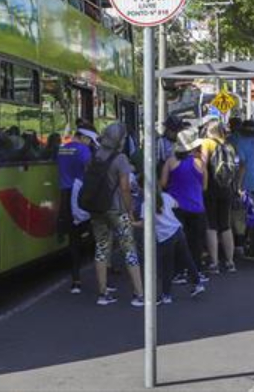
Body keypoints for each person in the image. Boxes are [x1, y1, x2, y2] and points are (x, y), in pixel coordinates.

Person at [87, 123, 145, 307]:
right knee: (129, 248)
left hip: (97, 209)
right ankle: (139, 293)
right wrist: (130, 211)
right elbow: (125, 188)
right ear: (120, 140)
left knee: (102, 247)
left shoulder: (94, 156)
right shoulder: (121, 159)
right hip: (117, 210)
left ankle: (103, 293)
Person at [132, 171, 206, 304]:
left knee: (166, 267)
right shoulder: (166, 197)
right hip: (178, 231)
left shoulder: (146, 205)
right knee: (187, 259)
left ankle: (166, 295)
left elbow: (145, 224)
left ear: (143, 188)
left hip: (165, 237)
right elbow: (176, 205)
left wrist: (131, 223)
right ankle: (197, 283)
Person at [160, 127, 208, 283]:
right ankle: (196, 271)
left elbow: (163, 183)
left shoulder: (170, 161)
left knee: (179, 241)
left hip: (176, 207)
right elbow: (205, 186)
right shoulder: (200, 162)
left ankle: (178, 272)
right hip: (197, 206)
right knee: (197, 242)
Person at [57, 127, 96, 294]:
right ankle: (100, 276)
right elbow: (90, 170)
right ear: (85, 138)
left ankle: (76, 279)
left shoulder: (62, 149)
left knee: (73, 239)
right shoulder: (84, 150)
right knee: (94, 234)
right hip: (80, 194)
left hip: (65, 194)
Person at [203, 120, 238, 274]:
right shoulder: (229, 146)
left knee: (211, 225)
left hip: (211, 188)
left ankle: (214, 263)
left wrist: (202, 187)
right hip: (226, 189)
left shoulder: (207, 143)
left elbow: (202, 166)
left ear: (209, 131)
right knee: (225, 225)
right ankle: (230, 262)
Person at [235, 119, 254, 257]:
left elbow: (242, 166)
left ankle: (248, 244)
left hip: (248, 183)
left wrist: (238, 185)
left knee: (248, 215)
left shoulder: (241, 143)